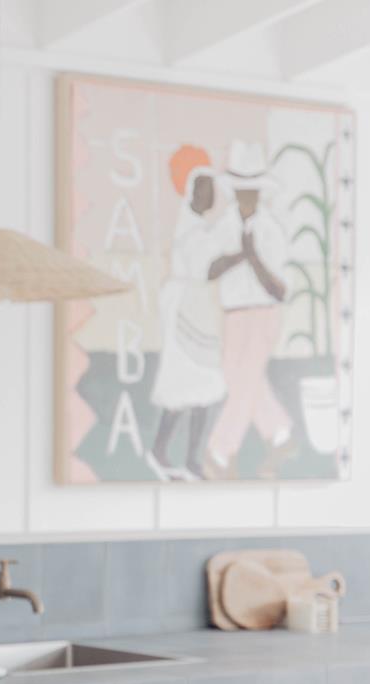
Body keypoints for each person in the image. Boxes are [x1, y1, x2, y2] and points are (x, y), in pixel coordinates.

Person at [203, 139, 296, 478]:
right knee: (237, 377)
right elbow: (209, 270)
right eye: (241, 189)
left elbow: (279, 288)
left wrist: (253, 256)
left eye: (252, 190)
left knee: (244, 380)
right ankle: (279, 432)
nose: (246, 196)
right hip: (234, 312)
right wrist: (239, 255)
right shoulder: (224, 226)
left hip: (263, 311)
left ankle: (221, 451)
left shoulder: (270, 230)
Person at [148, 144, 230, 480]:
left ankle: (187, 458)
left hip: (195, 309)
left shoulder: (200, 228)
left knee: (201, 386)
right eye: (207, 188)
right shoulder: (191, 231)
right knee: (191, 384)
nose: (212, 195)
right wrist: (245, 255)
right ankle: (170, 453)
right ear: (194, 191)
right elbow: (208, 268)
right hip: (186, 311)